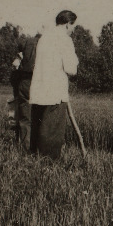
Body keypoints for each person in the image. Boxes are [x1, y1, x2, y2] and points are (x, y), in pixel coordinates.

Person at [29, 10, 79, 159]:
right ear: (67, 24)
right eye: (73, 26)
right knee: (52, 131)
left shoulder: (44, 37)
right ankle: (49, 165)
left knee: (38, 128)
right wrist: (76, 61)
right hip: (55, 93)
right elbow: (71, 69)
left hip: (39, 90)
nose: (73, 29)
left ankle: (34, 159)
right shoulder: (65, 40)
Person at [9, 34, 39, 150]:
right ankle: (33, 147)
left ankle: (24, 146)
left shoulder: (25, 47)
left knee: (23, 116)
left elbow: (15, 65)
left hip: (23, 82)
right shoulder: (44, 45)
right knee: (36, 116)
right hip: (37, 82)